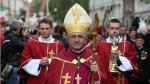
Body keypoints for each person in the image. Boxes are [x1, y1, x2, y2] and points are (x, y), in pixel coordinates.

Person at [45, 3, 104, 84]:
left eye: (80, 36)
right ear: (68, 39)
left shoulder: (94, 58)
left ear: (86, 39)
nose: (76, 40)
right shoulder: (58, 59)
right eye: (73, 36)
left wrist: (97, 73)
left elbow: (105, 80)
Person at [18, 18, 64, 84]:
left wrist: (50, 61)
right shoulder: (31, 43)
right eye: (42, 29)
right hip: (35, 79)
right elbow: (24, 61)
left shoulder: (59, 45)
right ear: (38, 29)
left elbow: (63, 62)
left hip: (52, 80)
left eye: (47, 28)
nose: (44, 31)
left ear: (52, 29)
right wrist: (39, 62)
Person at [97, 19, 138, 84]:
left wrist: (123, 60)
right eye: (112, 28)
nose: (114, 31)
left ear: (119, 30)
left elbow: (134, 64)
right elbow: (99, 66)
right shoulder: (101, 45)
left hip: (122, 79)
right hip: (106, 80)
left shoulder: (126, 45)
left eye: (117, 28)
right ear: (107, 29)